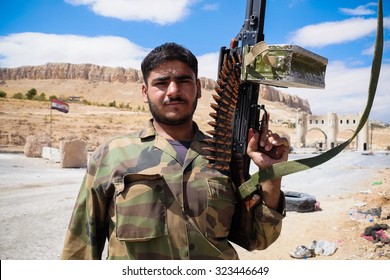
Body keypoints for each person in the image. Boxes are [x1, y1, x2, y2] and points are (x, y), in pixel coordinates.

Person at [61, 42, 290, 260]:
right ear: (144, 92)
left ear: (198, 88)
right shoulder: (112, 155)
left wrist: (272, 175)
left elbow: (259, 239)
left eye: (183, 81)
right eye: (161, 82)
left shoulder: (225, 155)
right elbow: (80, 247)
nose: (173, 91)